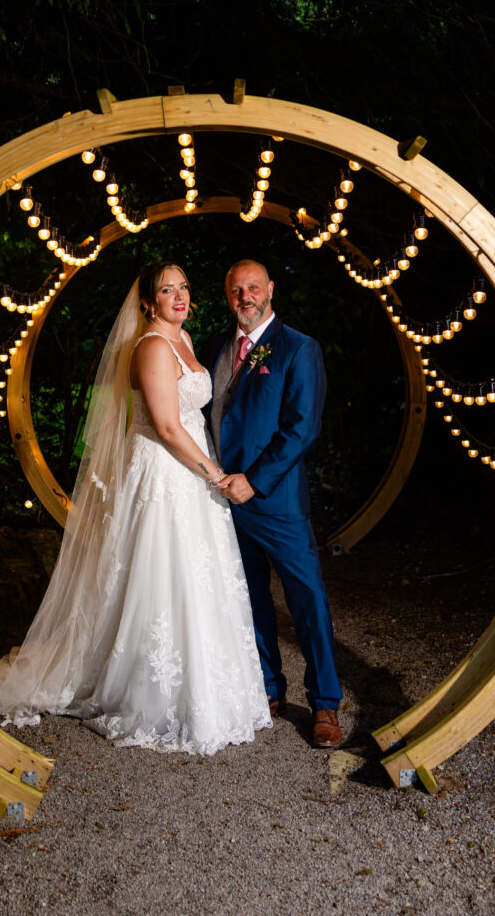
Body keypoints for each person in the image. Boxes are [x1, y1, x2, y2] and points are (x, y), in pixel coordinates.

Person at [0, 261, 271, 755]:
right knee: (161, 573)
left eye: (184, 287)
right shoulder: (151, 346)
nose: (179, 296)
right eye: (167, 290)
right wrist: (216, 475)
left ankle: (207, 689)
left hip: (192, 473)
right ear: (147, 302)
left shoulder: (186, 342)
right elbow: (167, 427)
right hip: (167, 473)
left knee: (198, 573)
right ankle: (151, 694)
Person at [200, 259, 343, 748]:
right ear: (228, 296)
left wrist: (254, 482)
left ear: (270, 290)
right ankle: (267, 689)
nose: (245, 296)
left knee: (307, 601)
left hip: (275, 501)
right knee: (248, 599)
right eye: (236, 289)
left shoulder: (298, 348)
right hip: (220, 500)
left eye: (253, 287)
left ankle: (325, 705)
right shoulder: (217, 347)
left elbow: (301, 427)